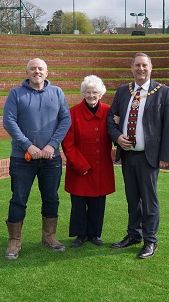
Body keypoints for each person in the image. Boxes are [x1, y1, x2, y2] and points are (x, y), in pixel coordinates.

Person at [107, 52, 169, 259]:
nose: (141, 69)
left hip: (150, 156)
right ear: (131, 68)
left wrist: (165, 155)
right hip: (128, 155)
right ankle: (134, 235)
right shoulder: (123, 91)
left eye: (144, 65)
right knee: (132, 199)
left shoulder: (163, 92)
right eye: (137, 65)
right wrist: (118, 137)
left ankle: (150, 241)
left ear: (151, 67)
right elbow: (111, 120)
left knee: (149, 201)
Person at [2, 58, 72, 260]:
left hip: (51, 158)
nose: (37, 71)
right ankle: (14, 241)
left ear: (47, 72)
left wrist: (52, 145)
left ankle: (49, 236)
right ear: (27, 73)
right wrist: (28, 146)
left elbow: (65, 119)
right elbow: (9, 121)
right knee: (18, 199)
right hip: (22, 158)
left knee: (51, 197)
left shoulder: (57, 92)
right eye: (33, 69)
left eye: (40, 68)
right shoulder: (16, 94)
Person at [62, 75, 115, 248]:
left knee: (98, 204)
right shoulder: (73, 112)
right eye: (88, 92)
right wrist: (80, 165)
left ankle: (94, 234)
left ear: (101, 94)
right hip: (80, 168)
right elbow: (67, 143)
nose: (91, 95)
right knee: (78, 203)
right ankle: (80, 235)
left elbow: (116, 133)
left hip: (101, 169)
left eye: (95, 92)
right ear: (83, 93)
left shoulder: (109, 111)